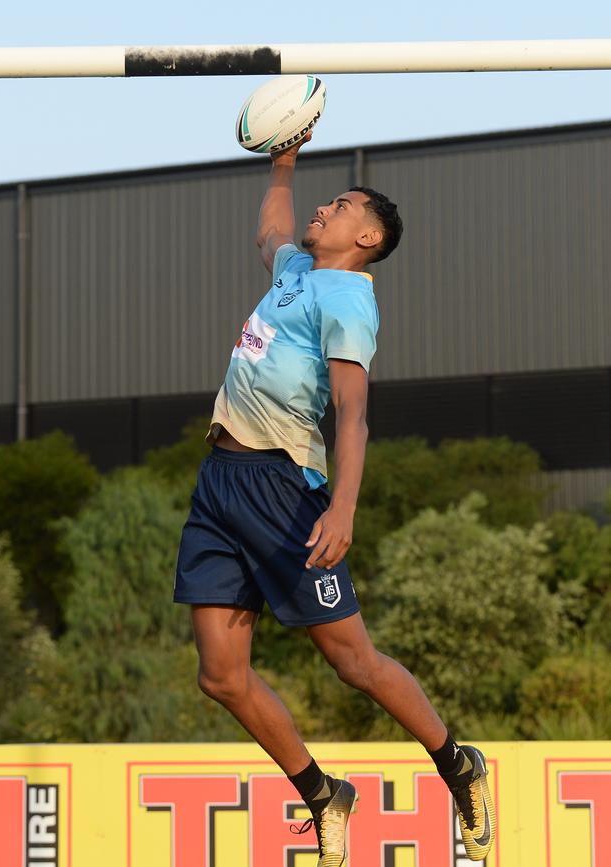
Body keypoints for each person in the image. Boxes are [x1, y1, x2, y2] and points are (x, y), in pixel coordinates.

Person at [173, 132, 496, 865]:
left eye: (342, 204)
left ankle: (456, 761)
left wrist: (342, 506)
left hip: (286, 489)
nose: (327, 206)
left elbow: (352, 412)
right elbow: (271, 228)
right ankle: (323, 792)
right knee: (219, 674)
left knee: (352, 660)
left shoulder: (349, 297)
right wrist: (283, 160)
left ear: (368, 236)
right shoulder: (293, 269)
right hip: (220, 482)